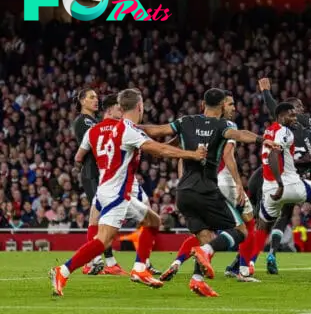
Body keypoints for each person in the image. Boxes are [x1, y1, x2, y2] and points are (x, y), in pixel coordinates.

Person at [50, 89, 207, 297]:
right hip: (117, 193)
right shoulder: (127, 130)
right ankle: (63, 270)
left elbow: (80, 157)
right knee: (103, 241)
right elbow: (160, 150)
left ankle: (140, 269)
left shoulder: (97, 130)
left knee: (153, 220)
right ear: (139, 106)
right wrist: (192, 154)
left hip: (103, 188)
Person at [141, 88, 277, 296]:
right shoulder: (223, 125)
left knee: (206, 235)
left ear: (203, 104)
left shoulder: (185, 121)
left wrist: (128, 125)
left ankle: (197, 280)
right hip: (206, 190)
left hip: (184, 193)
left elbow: (157, 130)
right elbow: (240, 135)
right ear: (223, 105)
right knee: (240, 231)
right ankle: (207, 254)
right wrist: (262, 140)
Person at [159, 90, 258, 284]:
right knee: (245, 226)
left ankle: (185, 267)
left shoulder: (190, 124)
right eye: (229, 104)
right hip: (220, 181)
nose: (233, 108)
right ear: (221, 105)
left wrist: (183, 179)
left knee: (206, 233)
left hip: (190, 187)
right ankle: (243, 269)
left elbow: (179, 152)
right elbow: (228, 155)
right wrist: (238, 183)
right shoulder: (227, 126)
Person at [256, 78, 311, 275]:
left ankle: (268, 253)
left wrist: (266, 92)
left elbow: (273, 109)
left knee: (282, 216)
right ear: (288, 112)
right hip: (303, 177)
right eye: (297, 108)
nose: (301, 110)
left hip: (287, 177)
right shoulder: (301, 123)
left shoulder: (279, 130)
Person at [76, 94, 160, 277]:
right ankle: (136, 264)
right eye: (118, 107)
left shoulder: (95, 130)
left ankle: (101, 262)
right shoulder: (119, 127)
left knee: (97, 219)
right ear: (110, 109)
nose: (121, 110)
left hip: (107, 179)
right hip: (117, 179)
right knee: (144, 217)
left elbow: (78, 157)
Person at [72, 88, 120, 275]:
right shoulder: (83, 121)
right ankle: (97, 261)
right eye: (91, 97)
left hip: (101, 174)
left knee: (102, 216)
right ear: (82, 101)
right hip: (92, 173)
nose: (95, 100)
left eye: (96, 98)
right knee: (101, 216)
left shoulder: (95, 122)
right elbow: (93, 146)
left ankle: (101, 261)